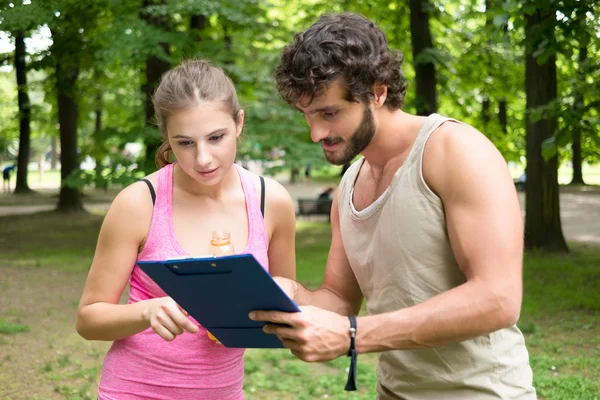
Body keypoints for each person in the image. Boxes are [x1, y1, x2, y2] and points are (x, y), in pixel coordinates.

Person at [250, 12, 536, 399]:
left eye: (329, 113)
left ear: (378, 91)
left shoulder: (455, 151)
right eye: (307, 116)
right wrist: (287, 292)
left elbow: (498, 299)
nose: (316, 133)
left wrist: (353, 335)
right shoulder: (348, 185)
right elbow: (337, 300)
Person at [76, 59, 296, 400]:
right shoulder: (139, 203)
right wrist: (147, 312)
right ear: (167, 138)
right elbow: (89, 320)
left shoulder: (272, 202)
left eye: (216, 137)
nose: (204, 158)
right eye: (186, 143)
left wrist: (276, 301)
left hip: (224, 392)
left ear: (239, 123)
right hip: (135, 390)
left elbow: (286, 312)